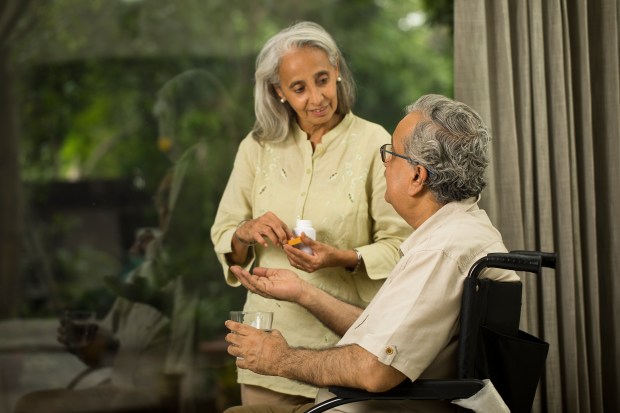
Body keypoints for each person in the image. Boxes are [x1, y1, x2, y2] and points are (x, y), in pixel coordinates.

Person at [222, 94, 521, 413]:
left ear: (417, 177)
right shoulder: (460, 233)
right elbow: (385, 336)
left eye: (391, 153)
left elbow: (374, 369)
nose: (385, 161)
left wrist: (279, 359)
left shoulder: (442, 250)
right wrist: (304, 293)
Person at [14, 69, 244, 413]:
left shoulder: (199, 162)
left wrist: (153, 257)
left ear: (188, 112)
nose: (162, 130)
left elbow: (181, 254)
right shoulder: (234, 156)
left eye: (165, 115)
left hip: (183, 363)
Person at [210, 21, 411, 405]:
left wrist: (344, 257)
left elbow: (402, 246)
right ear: (278, 92)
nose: (316, 97)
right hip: (264, 347)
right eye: (299, 88)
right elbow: (225, 235)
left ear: (336, 69)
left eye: (322, 79)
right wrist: (244, 232)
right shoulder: (256, 147)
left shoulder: (374, 142)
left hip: (343, 353)